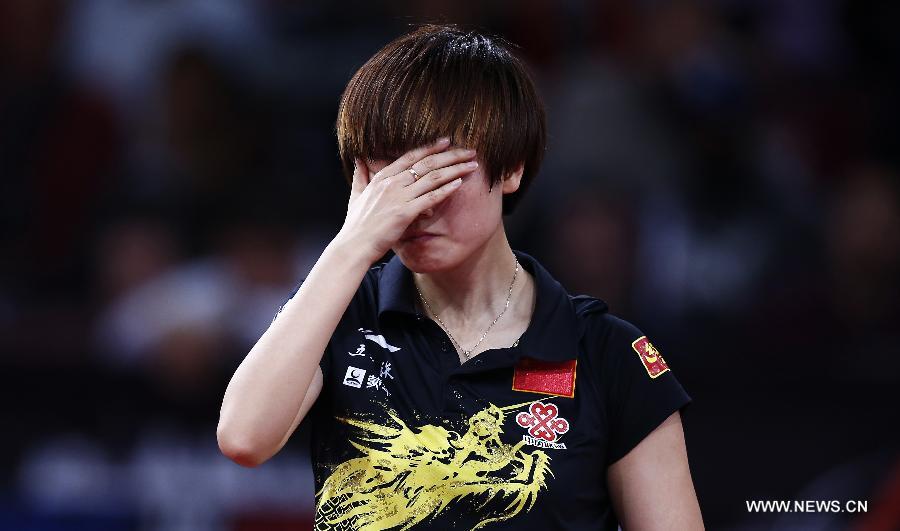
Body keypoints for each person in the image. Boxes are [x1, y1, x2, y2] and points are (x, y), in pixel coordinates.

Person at [217, 24, 704, 530]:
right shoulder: (340, 315)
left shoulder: (609, 355)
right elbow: (244, 438)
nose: (416, 204)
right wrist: (353, 244)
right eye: (393, 179)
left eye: (440, 172)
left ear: (510, 168)